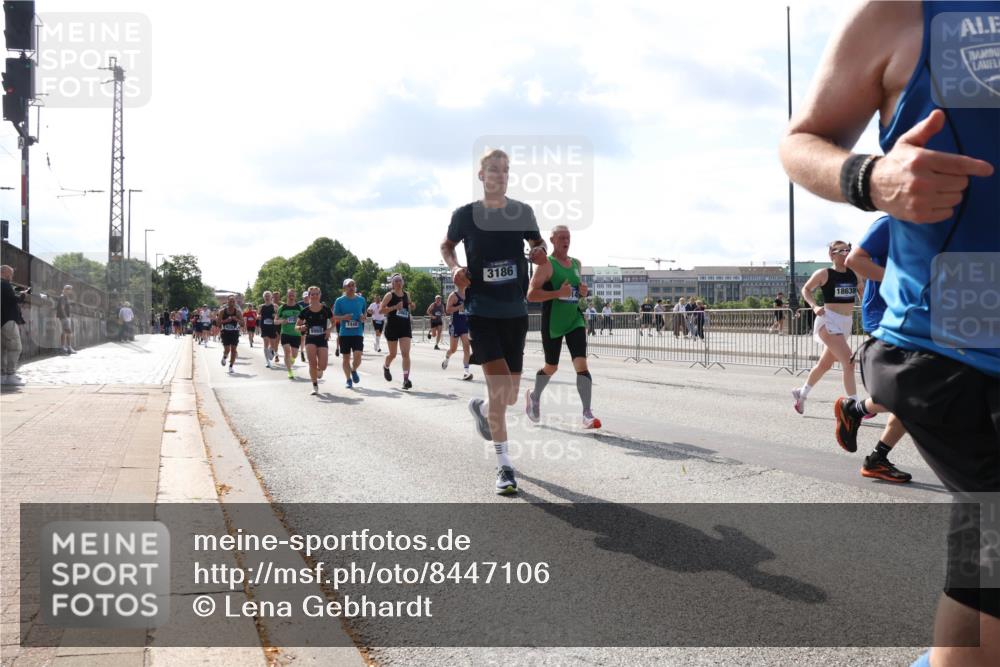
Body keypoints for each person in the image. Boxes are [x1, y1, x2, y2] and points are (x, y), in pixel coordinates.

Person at [779, 3, 998, 664]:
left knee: (984, 564)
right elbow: (802, 139)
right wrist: (871, 178)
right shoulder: (904, 12)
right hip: (948, 345)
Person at [440, 148, 547, 495]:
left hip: (515, 312)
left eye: (505, 170)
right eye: (493, 170)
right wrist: (455, 268)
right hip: (482, 312)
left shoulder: (522, 212)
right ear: (481, 176)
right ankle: (504, 467)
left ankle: (482, 409)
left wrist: (539, 251)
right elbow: (446, 245)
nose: (500, 175)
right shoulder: (466, 215)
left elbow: (537, 242)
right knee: (502, 390)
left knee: (510, 397)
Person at [828, 216, 911, 483]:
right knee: (919, 394)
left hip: (919, 319)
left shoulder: (949, 226)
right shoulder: (892, 222)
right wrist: (906, 281)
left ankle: (877, 458)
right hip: (888, 319)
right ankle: (855, 411)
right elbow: (855, 260)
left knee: (915, 397)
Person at [525, 225, 601, 430]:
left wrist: (583, 291)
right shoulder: (546, 265)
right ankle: (534, 397)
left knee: (582, 365)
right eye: (561, 238)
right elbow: (531, 294)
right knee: (552, 366)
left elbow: (576, 290)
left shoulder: (576, 263)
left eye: (568, 237)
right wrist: (557, 293)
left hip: (574, 319)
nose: (566, 241)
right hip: (553, 322)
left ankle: (587, 413)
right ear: (552, 241)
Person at [791, 241, 863, 415]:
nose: (846, 253)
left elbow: (862, 293)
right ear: (832, 254)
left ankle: (802, 393)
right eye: (841, 251)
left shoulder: (855, 274)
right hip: (828, 321)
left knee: (824, 365)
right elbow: (806, 289)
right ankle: (854, 405)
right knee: (849, 361)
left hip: (846, 322)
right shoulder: (824, 273)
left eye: (848, 250)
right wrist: (814, 306)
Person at [296, 286, 335, 395]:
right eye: (312, 294)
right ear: (309, 296)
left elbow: (333, 322)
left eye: (316, 294)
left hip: (322, 339)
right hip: (310, 339)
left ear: (319, 295)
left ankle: (319, 369)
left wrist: (329, 330)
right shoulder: (305, 311)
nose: (314, 296)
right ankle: (314, 385)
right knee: (312, 363)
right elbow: (296, 325)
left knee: (323, 366)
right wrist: (300, 328)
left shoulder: (325, 309)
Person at [380, 274, 414, 390]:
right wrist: (394, 307)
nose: (399, 282)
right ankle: (386, 366)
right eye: (396, 281)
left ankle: (405, 380)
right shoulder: (389, 295)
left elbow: (409, 306)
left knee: (405, 353)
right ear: (392, 284)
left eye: (400, 280)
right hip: (392, 327)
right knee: (393, 354)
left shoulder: (407, 294)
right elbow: (381, 310)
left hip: (405, 326)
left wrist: (412, 306)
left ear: (403, 282)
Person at [333, 279, 366, 389]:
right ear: (344, 288)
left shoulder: (361, 300)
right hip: (345, 333)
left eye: (353, 285)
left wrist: (363, 318)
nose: (351, 287)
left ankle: (354, 370)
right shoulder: (339, 301)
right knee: (346, 358)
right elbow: (334, 316)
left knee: (358, 356)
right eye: (348, 286)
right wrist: (343, 317)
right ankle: (348, 379)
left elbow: (364, 314)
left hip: (357, 332)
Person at [1, 265, 26, 386]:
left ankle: (2, 375)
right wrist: (23, 295)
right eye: (10, 274)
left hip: (2, 321)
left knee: (2, 349)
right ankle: (10, 375)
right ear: (5, 273)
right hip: (8, 321)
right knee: (15, 347)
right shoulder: (5, 284)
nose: (12, 276)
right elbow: (14, 300)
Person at [441, 285, 473, 381]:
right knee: (453, 349)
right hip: (455, 325)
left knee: (466, 348)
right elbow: (447, 310)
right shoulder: (453, 295)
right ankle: (447, 358)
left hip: (465, 325)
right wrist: (460, 306)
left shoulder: (469, 295)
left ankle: (466, 372)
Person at [276, 288, 303, 380]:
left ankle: (291, 361)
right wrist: (282, 321)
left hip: (296, 334)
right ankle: (289, 372)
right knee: (287, 352)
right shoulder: (282, 308)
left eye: (293, 295)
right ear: (287, 295)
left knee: (294, 355)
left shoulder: (300, 308)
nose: (291, 296)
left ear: (295, 296)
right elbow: (275, 321)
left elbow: (305, 319)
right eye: (289, 295)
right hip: (285, 333)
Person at [218, 295, 244, 374]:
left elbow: (243, 324)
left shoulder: (238, 312)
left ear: (235, 302)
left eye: (233, 301)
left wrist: (236, 319)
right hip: (225, 332)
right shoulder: (222, 311)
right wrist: (226, 320)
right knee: (227, 349)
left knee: (233, 350)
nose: (232, 303)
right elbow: (218, 323)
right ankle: (224, 357)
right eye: (230, 301)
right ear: (227, 302)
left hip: (234, 332)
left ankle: (231, 366)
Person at [258, 292, 280, 368]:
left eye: (268, 296)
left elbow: (278, 315)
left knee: (273, 345)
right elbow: (258, 314)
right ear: (264, 297)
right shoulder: (261, 306)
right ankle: (267, 361)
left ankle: (271, 355)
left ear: (271, 297)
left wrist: (275, 315)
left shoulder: (275, 306)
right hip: (264, 327)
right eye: (265, 296)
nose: (267, 297)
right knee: (266, 343)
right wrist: (258, 316)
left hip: (272, 327)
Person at [56, 284, 76, 354]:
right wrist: (66, 317)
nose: (70, 291)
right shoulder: (62, 297)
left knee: (65, 332)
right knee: (68, 332)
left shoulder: (65, 297)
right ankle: (67, 348)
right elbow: (62, 308)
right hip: (64, 317)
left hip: (65, 317)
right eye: (69, 289)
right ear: (65, 290)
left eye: (70, 290)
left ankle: (65, 348)